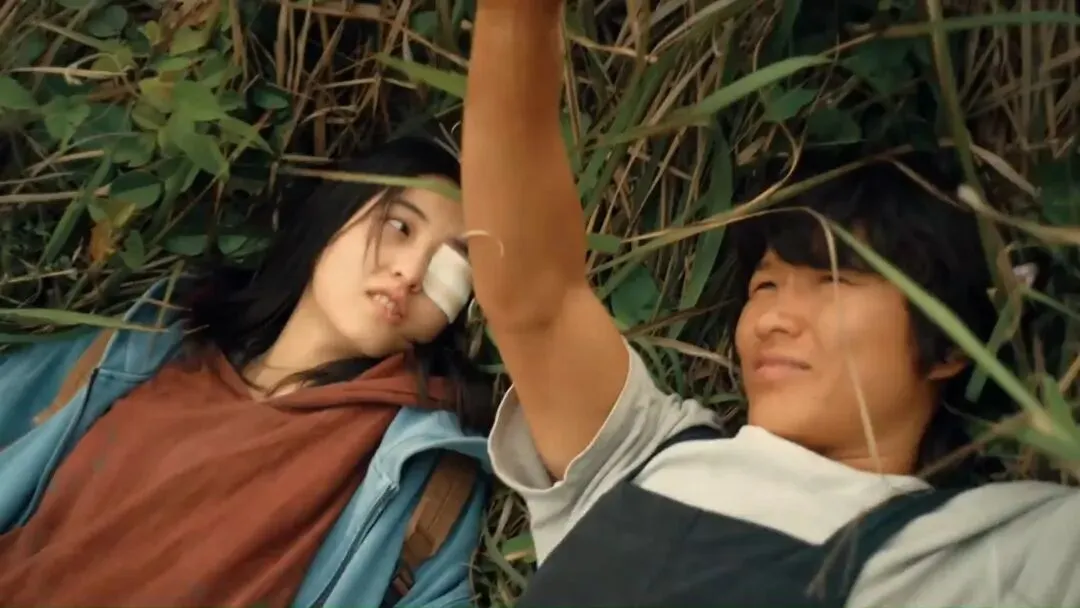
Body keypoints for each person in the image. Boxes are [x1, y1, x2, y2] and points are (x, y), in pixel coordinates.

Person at [461, 2, 1079, 607]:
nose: (773, 319)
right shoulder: (635, 458)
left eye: (834, 281)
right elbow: (533, 297)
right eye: (765, 286)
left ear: (949, 344)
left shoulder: (981, 555)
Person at [0, 137, 493, 607]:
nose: (411, 273)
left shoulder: (425, 470)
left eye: (451, 269)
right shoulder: (142, 346)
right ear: (334, 214)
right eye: (400, 227)